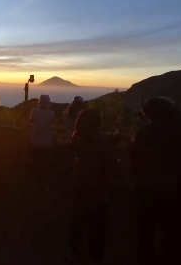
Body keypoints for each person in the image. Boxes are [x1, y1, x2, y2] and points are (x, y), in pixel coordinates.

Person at [129, 97, 181, 265]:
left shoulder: (144, 132)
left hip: (146, 191)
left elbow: (134, 158)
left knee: (145, 233)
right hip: (175, 191)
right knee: (172, 233)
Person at [68, 109, 116, 264]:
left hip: (78, 187)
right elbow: (109, 165)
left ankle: (72, 252)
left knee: (77, 221)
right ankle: (95, 257)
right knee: (97, 226)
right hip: (97, 191)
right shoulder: (100, 145)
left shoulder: (76, 138)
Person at [29, 94, 56, 192]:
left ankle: (35, 181)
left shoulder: (34, 111)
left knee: (35, 161)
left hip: (35, 140)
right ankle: (44, 183)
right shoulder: (52, 113)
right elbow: (51, 124)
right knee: (45, 163)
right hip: (47, 142)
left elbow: (30, 121)